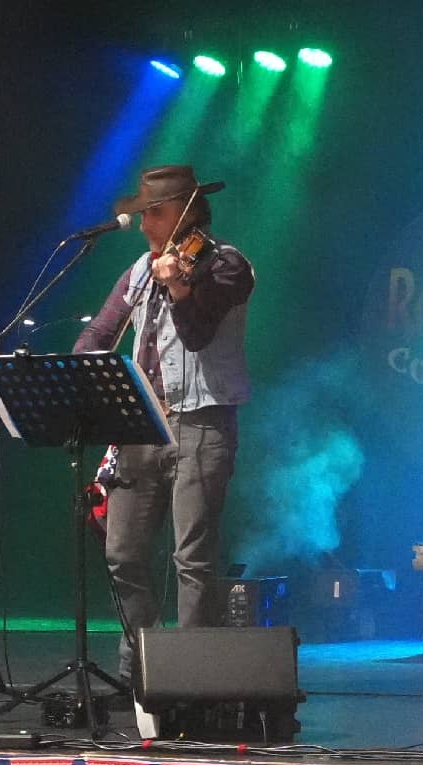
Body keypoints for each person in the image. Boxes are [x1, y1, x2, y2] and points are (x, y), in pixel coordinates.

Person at [74, 164, 254, 679]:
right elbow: (99, 334)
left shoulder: (225, 265)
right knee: (123, 553)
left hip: (201, 422)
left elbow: (197, 335)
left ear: (187, 212)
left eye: (156, 212)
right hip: (140, 425)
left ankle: (193, 676)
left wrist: (178, 289)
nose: (147, 222)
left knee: (192, 559)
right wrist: (90, 379)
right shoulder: (138, 270)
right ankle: (145, 662)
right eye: (143, 213)